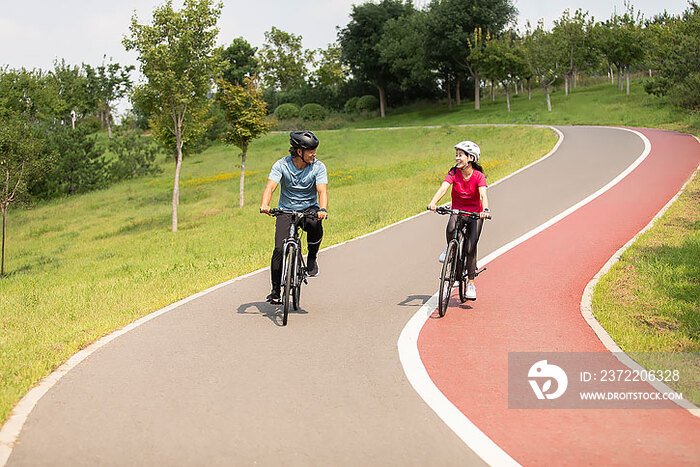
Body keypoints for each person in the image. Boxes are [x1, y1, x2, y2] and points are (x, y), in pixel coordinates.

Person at [260, 130, 328, 304]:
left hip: (309, 209)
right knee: (279, 249)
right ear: (299, 152)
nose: (314, 154)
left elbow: (322, 190)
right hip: (286, 210)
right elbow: (270, 187)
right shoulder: (281, 165)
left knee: (315, 224)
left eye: (315, 150)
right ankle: (275, 291)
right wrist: (265, 205)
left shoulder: (318, 167)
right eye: (311, 151)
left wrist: (323, 209)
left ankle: (312, 257)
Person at [427, 140, 490, 300]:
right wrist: (433, 203)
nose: (457, 158)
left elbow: (483, 195)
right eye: (456, 155)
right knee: (450, 229)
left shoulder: (478, 176)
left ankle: (470, 283)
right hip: (457, 211)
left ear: (470, 158)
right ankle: (450, 248)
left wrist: (485, 210)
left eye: (460, 155)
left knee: (470, 248)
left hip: (475, 214)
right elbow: (443, 188)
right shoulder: (454, 173)